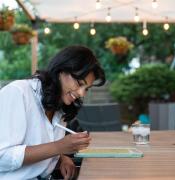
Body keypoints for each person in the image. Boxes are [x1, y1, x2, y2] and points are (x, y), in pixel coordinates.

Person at [0, 45, 106, 179]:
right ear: (61, 71)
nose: (81, 94)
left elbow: (38, 146)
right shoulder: (18, 93)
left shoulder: (59, 105)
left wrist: (61, 158)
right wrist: (59, 147)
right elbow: (2, 157)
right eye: (79, 84)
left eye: (86, 89)